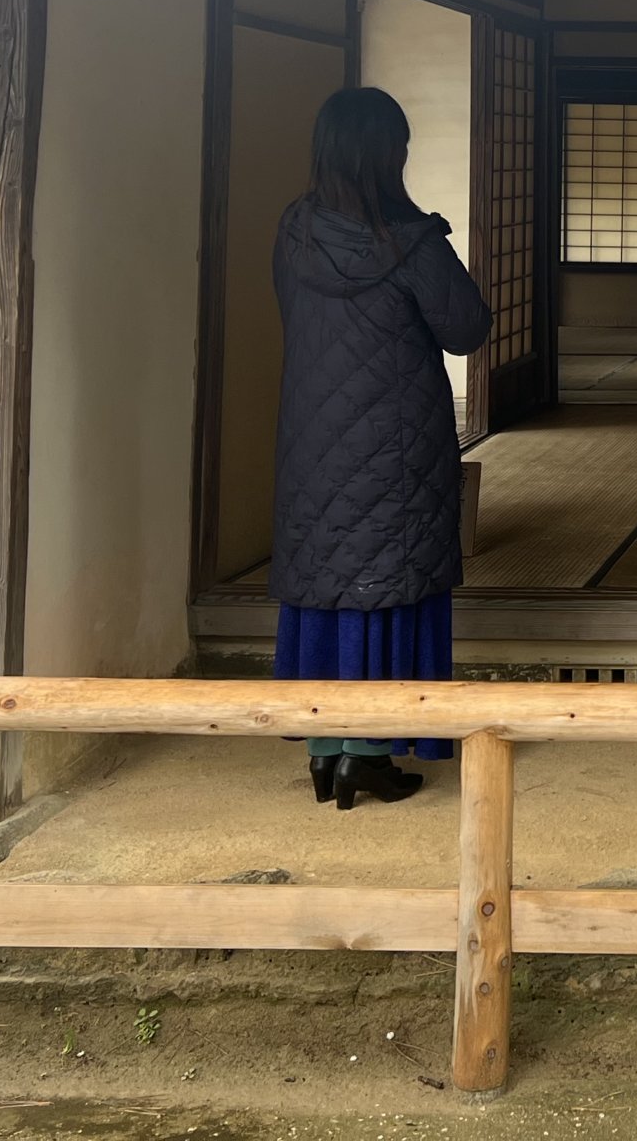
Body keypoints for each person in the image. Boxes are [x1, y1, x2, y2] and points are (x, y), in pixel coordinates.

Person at [271, 87, 491, 810]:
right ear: (388, 155)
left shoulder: (296, 232)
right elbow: (467, 328)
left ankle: (325, 746)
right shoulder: (410, 243)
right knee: (391, 582)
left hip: (312, 442)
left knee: (325, 579)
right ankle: (368, 751)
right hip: (397, 442)